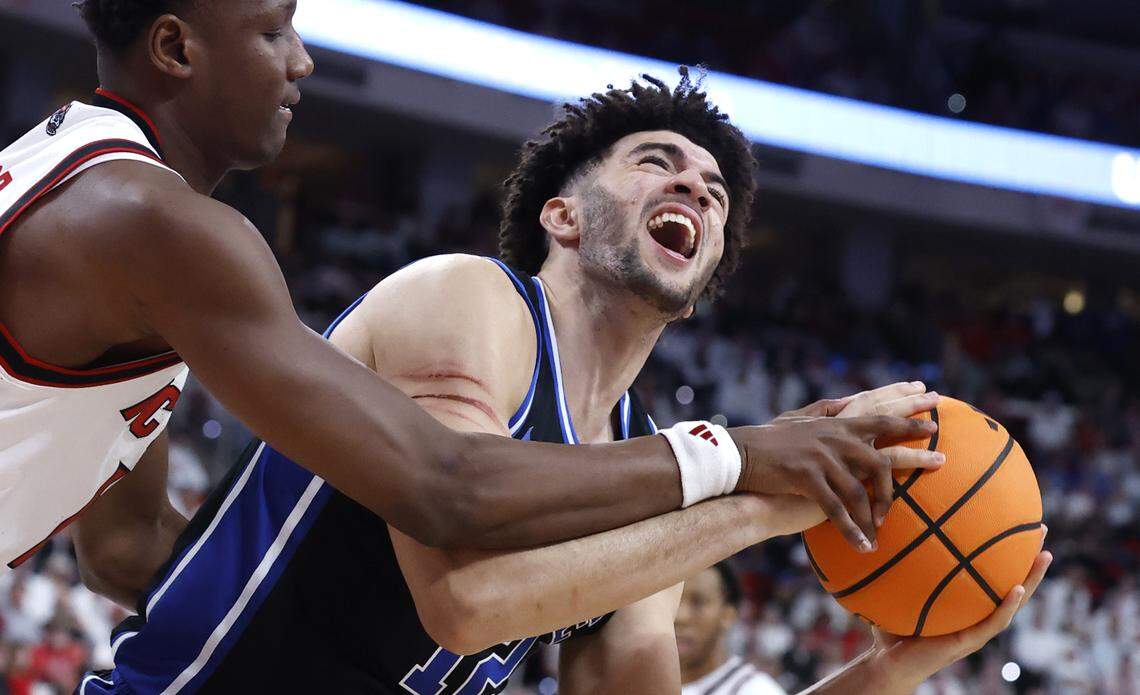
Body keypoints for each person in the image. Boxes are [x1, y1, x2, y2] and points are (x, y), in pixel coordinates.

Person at [83, 73, 1048, 694]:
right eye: (656, 165)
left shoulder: (654, 464)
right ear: (563, 215)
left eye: (712, 196)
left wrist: (889, 670)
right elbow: (465, 598)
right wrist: (759, 493)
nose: (691, 193)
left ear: (706, 274)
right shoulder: (469, 300)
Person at [0, 0, 920, 607]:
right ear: (175, 48)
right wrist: (746, 454)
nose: (304, 60)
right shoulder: (161, 226)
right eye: (274, 30)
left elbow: (122, 550)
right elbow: (449, 488)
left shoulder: (100, 193)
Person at [677, 562, 784, 695]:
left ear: (727, 615)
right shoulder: (647, 683)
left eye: (698, 602)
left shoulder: (756, 691)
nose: (680, 617)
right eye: (673, 601)